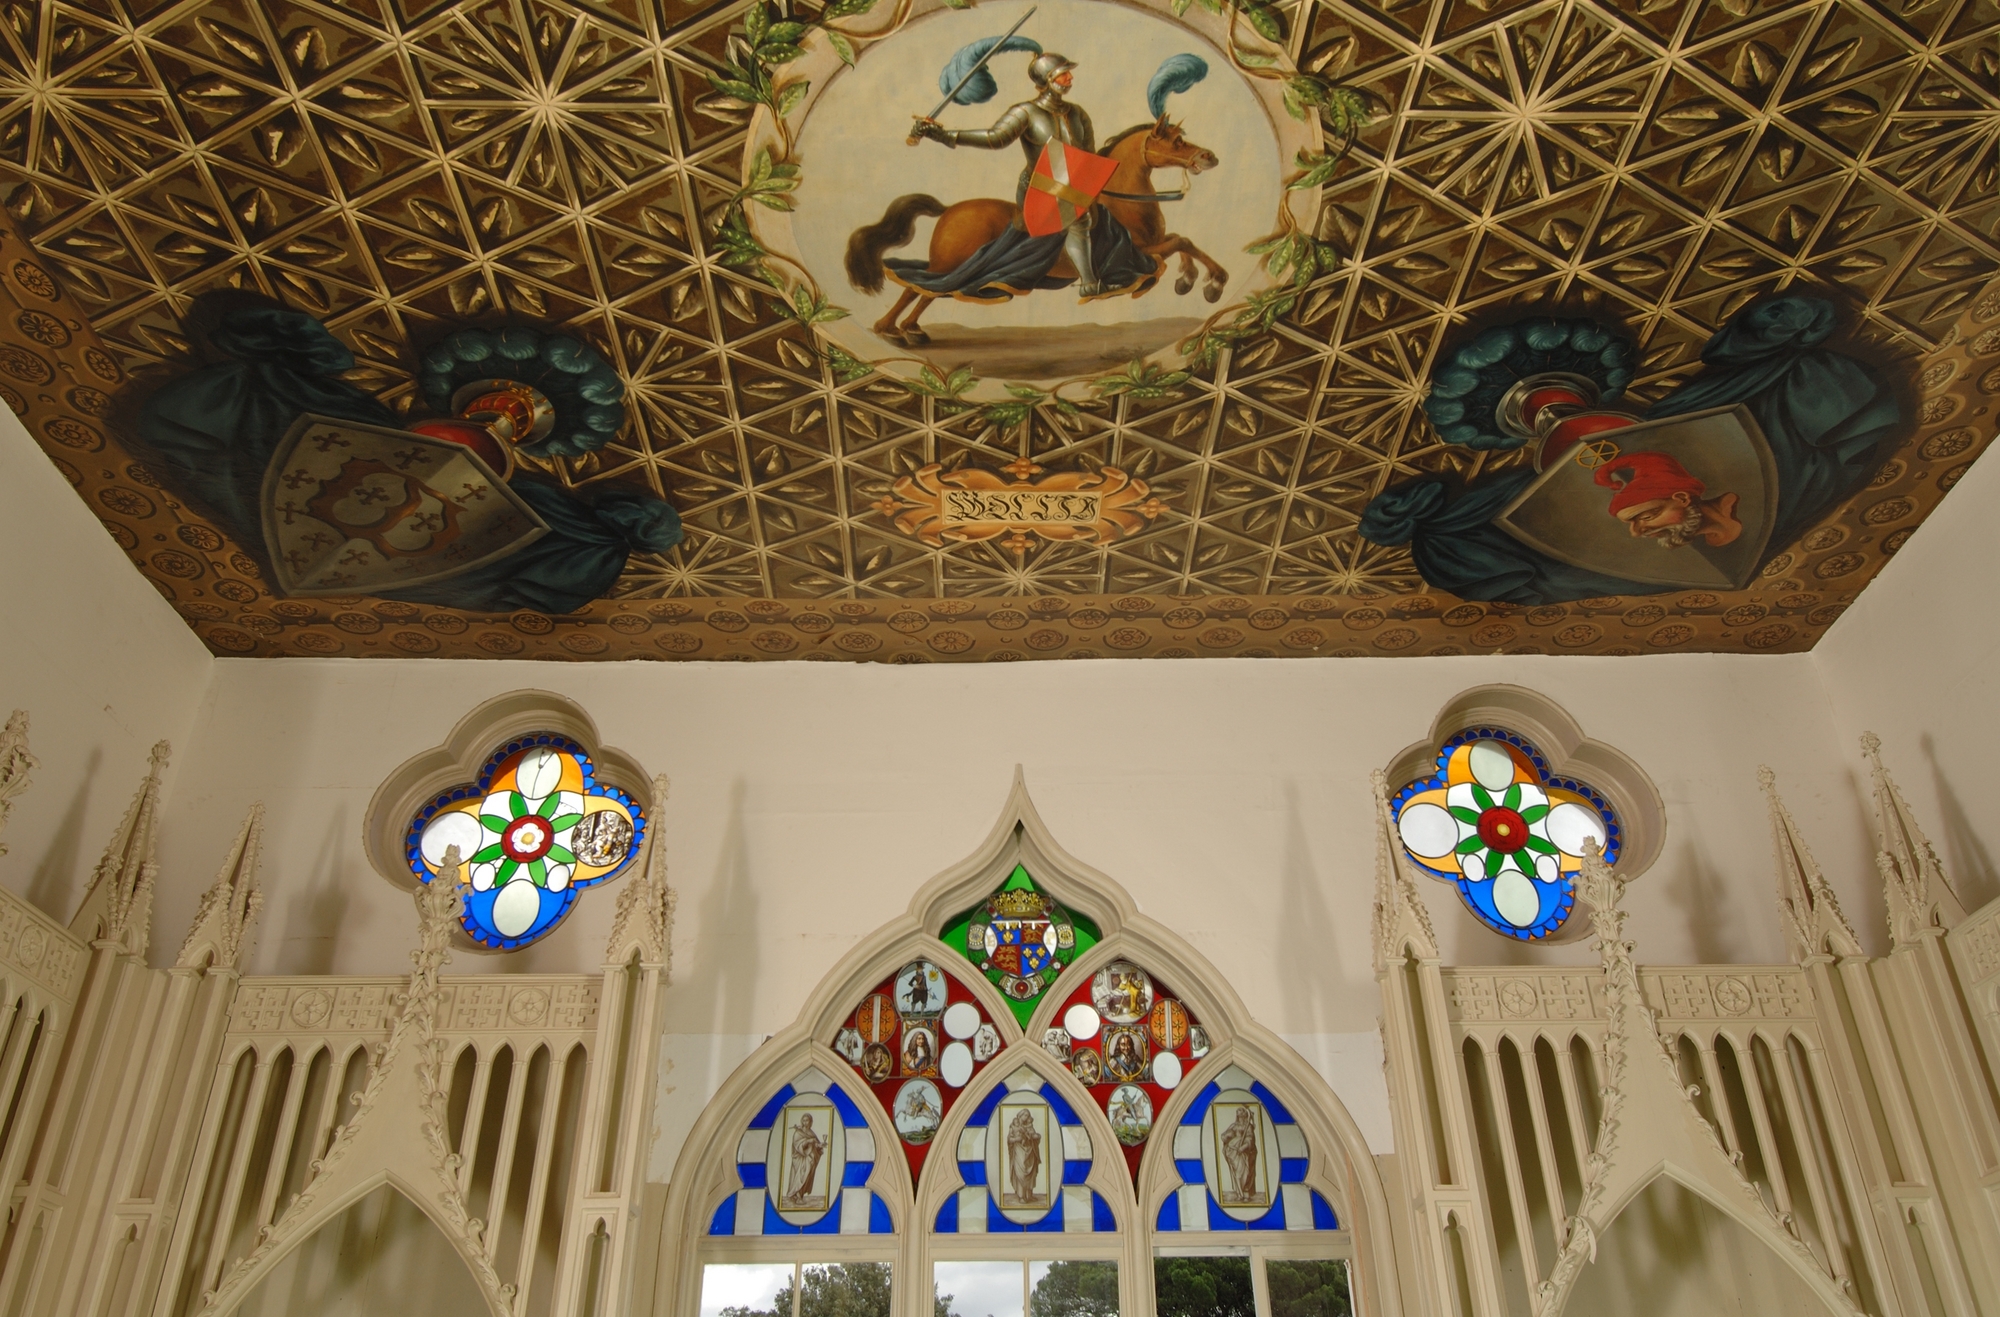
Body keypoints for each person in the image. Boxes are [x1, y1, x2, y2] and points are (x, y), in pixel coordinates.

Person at [912, 54, 1124, 298]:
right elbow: (995, 138)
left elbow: (1088, 155)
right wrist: (946, 136)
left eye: (1068, 72)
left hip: (1072, 185)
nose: (1070, 77)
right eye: (1063, 73)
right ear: (1047, 79)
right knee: (1079, 219)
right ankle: (1090, 283)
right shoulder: (1026, 112)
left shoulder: (1077, 113)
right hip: (1040, 186)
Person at [1595, 451, 1743, 548]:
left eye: (1647, 516)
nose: (1635, 533)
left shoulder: (1740, 504)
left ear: (1682, 498)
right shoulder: (1709, 541)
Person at [785, 1114, 826, 1207]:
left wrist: (820, 1145)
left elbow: (816, 1145)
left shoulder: (811, 1133)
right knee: (800, 1176)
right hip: (800, 1158)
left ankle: (800, 1195)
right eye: (803, 1120)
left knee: (806, 1176)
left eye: (807, 1120)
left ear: (811, 1122)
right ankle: (797, 1196)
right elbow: (797, 1145)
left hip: (809, 1159)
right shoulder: (798, 1133)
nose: (805, 1122)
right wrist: (808, 1141)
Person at [1221, 1107, 1260, 1203]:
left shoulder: (1248, 1126)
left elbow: (1250, 1138)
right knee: (1237, 1172)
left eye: (1242, 1116)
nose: (1240, 1118)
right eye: (1239, 1116)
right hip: (1236, 1153)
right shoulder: (1234, 1126)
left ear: (1245, 1116)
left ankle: (1246, 1193)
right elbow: (1224, 1136)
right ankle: (1239, 1193)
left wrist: (1243, 1147)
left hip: (1247, 1153)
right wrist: (1227, 1137)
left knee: (1247, 1173)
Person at [1006, 1108, 1043, 1204]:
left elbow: (1034, 1136)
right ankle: (1022, 1196)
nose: (1026, 1117)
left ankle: (1029, 1195)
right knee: (1021, 1173)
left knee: (1031, 1173)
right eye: (1025, 1115)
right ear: (1020, 1115)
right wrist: (1016, 1139)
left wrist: (1036, 1136)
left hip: (1030, 1151)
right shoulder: (1014, 1126)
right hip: (1019, 1151)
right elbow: (1009, 1139)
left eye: (1028, 1115)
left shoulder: (1030, 1126)